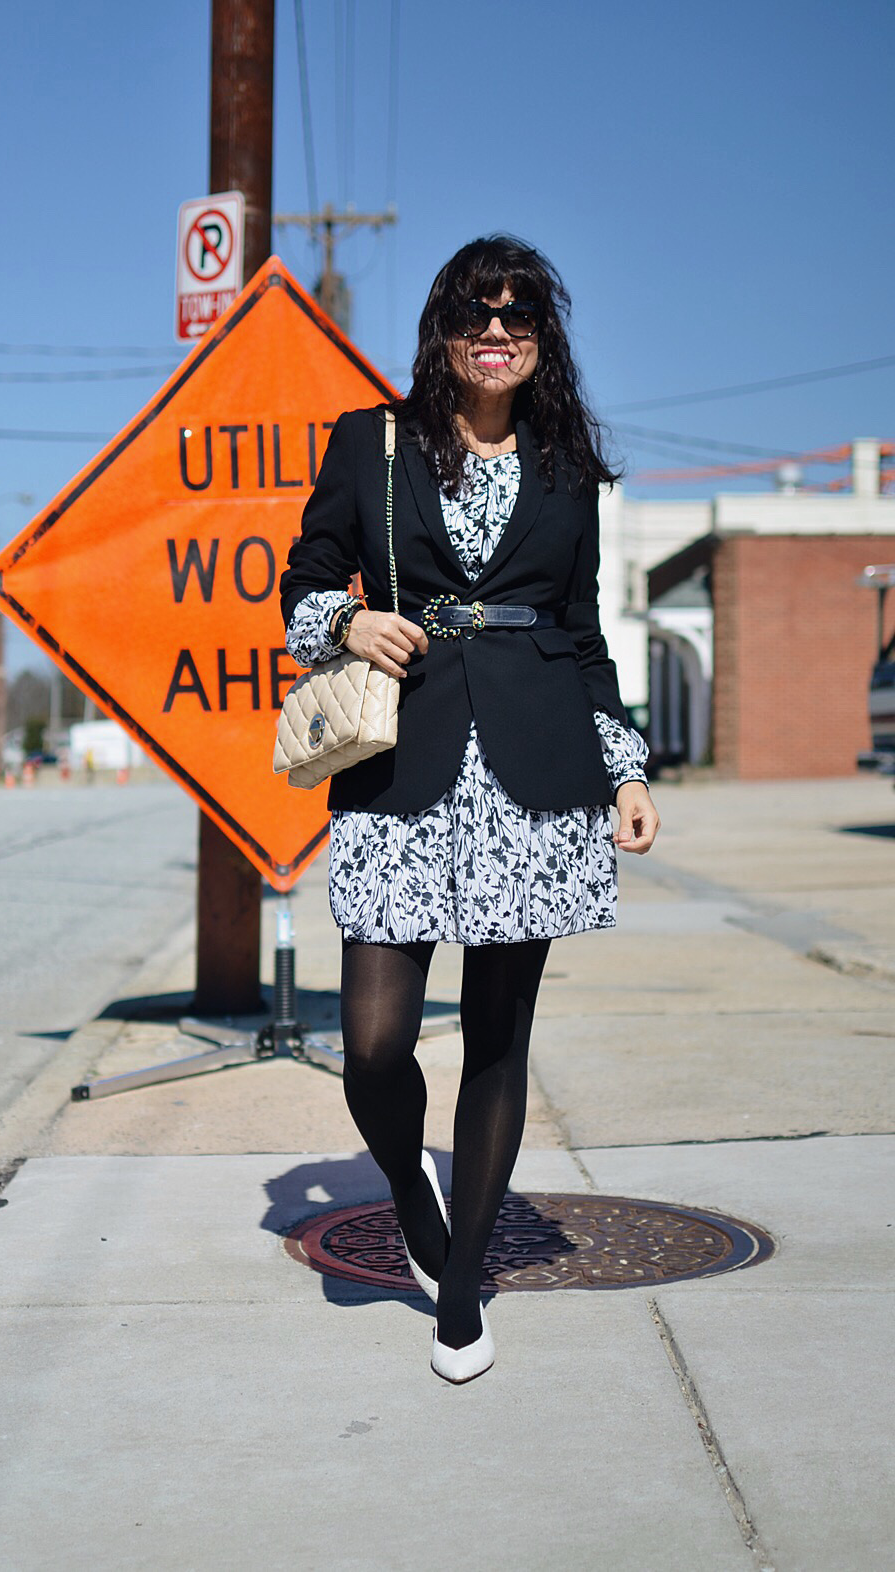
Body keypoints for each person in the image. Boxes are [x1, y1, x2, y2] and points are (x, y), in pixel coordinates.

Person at [279, 234, 660, 1383]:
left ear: (540, 339)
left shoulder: (566, 467)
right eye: (475, 316)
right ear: (442, 332)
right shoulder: (372, 445)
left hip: (536, 772)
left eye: (518, 318)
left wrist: (628, 770)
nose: (496, 335)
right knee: (373, 1045)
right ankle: (408, 1186)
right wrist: (346, 625)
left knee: (498, 1037)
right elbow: (299, 579)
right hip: (403, 769)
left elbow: (584, 640)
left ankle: (460, 1282)